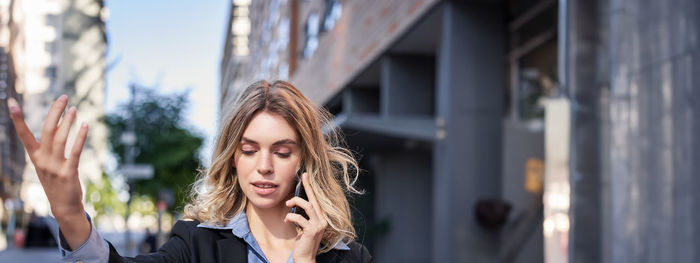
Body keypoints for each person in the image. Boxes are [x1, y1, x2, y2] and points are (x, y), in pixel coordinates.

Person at [8, 80, 372, 262]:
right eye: (249, 150)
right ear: (233, 157)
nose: (263, 166)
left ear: (303, 160)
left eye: (281, 151)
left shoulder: (349, 256)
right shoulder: (197, 243)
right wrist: (70, 215)